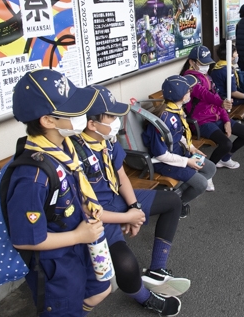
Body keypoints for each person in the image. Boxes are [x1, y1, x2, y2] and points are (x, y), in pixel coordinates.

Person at [76, 85, 186, 316]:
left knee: (172, 202)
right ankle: (145, 299)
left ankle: (157, 269)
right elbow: (87, 210)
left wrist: (135, 207)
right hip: (95, 218)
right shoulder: (75, 153)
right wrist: (128, 217)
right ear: (91, 124)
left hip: (117, 201)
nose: (117, 120)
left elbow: (122, 175)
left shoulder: (107, 139)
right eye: (111, 117)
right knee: (126, 264)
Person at [8, 68, 110, 316]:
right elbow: (25, 238)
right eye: (73, 109)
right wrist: (78, 236)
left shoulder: (64, 149)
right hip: (56, 267)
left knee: (97, 289)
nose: (82, 114)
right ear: (48, 120)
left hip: (79, 248)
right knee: (65, 308)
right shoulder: (32, 176)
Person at [180, 45, 244, 169]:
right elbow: (205, 95)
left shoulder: (207, 77)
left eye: (207, 63)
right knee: (226, 144)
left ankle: (225, 159)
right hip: (201, 121)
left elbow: (217, 98)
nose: (206, 66)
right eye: (202, 63)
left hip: (216, 116)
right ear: (191, 62)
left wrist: (226, 120)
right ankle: (207, 170)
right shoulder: (189, 79)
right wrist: (221, 102)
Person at [143, 74, 217, 199]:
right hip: (164, 162)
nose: (190, 93)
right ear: (183, 97)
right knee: (201, 184)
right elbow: (160, 154)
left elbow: (177, 134)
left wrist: (191, 147)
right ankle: (180, 205)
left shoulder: (175, 110)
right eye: (189, 90)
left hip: (177, 152)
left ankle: (177, 195)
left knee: (210, 169)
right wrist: (187, 161)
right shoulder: (164, 120)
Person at [210, 44, 244, 137]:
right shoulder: (228, 70)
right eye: (236, 52)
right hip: (226, 100)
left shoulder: (218, 65)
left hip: (218, 97)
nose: (237, 54)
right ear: (231, 55)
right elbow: (233, 92)